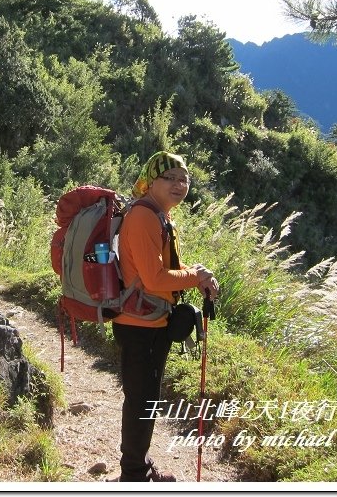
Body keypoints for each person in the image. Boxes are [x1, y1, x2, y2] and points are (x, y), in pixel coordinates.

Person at [113, 151, 219, 482]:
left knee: (146, 397)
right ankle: (134, 475)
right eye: (169, 177)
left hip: (151, 320)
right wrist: (197, 277)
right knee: (141, 399)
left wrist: (197, 274)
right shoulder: (144, 217)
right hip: (139, 324)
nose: (178, 184)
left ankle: (137, 467)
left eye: (183, 179)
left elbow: (166, 271)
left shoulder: (160, 216)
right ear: (150, 180)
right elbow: (156, 278)